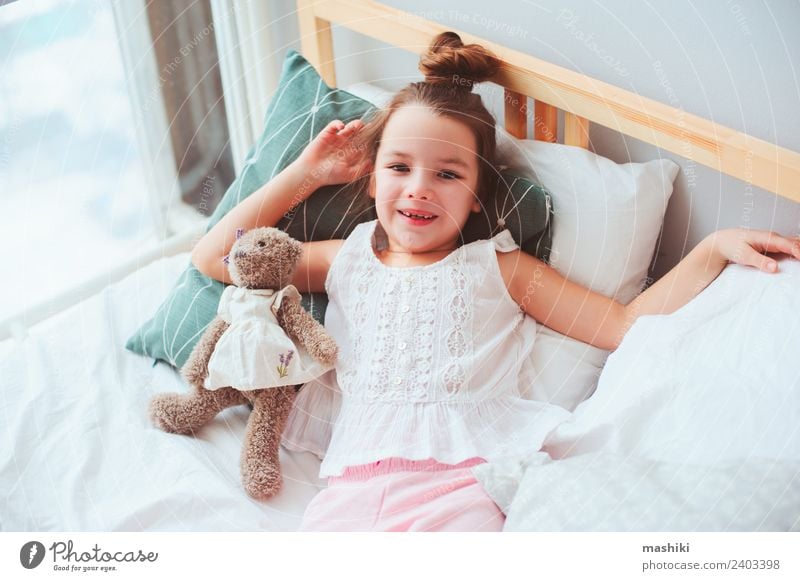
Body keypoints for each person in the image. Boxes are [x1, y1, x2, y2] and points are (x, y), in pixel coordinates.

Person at [191, 32, 800, 532]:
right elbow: (218, 256)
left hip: (466, 483)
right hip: (349, 487)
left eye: (448, 174)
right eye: (398, 167)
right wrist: (308, 171)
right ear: (372, 180)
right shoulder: (344, 258)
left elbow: (622, 325)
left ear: (479, 196)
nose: (419, 187)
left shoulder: (498, 268)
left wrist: (712, 250)